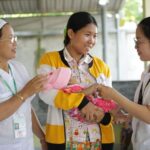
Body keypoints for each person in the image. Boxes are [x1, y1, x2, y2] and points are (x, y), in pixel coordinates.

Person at [38, 11, 114, 150]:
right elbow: (46, 93)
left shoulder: (102, 66)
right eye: (87, 35)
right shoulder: (50, 60)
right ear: (71, 33)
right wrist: (82, 102)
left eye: (95, 36)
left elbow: (109, 100)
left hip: (98, 141)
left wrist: (104, 116)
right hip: (63, 142)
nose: (92, 40)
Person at [98, 17, 150, 150]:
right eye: (135, 41)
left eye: (139, 41)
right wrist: (129, 117)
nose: (135, 46)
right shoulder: (146, 73)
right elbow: (143, 108)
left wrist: (114, 95)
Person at [0, 19, 48, 150]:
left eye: (15, 37)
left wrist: (42, 137)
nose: (15, 43)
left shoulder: (19, 68)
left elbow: (27, 108)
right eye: (10, 38)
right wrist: (24, 93)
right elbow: (24, 96)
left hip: (26, 145)